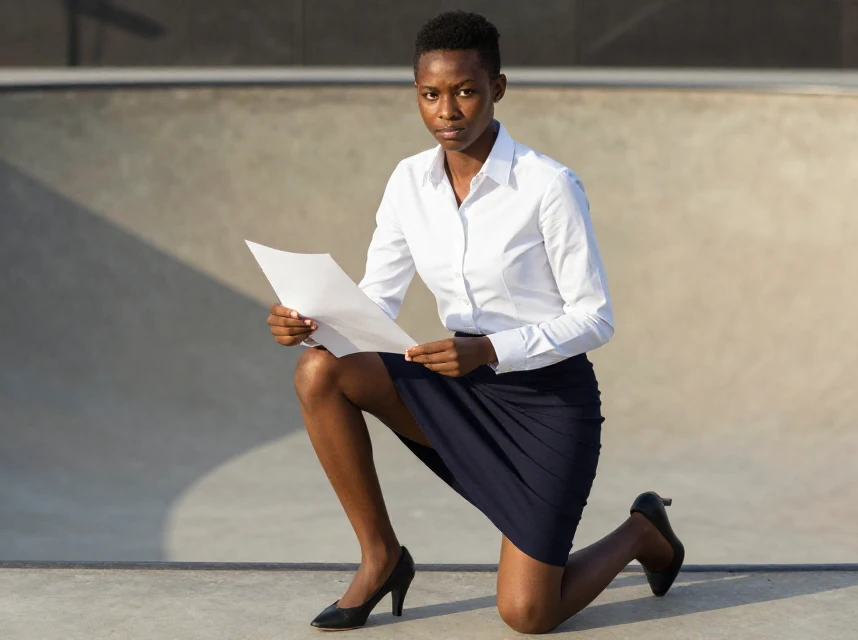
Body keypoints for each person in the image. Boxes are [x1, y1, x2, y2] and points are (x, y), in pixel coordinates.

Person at [265, 10, 684, 634]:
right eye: (430, 94)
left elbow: (594, 319)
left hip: (546, 403)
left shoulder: (547, 185)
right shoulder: (409, 181)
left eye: (465, 91)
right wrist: (311, 323)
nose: (447, 111)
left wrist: (489, 349)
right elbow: (376, 301)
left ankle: (642, 531)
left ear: (498, 88)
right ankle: (381, 558)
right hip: (458, 385)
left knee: (529, 613)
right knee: (318, 369)